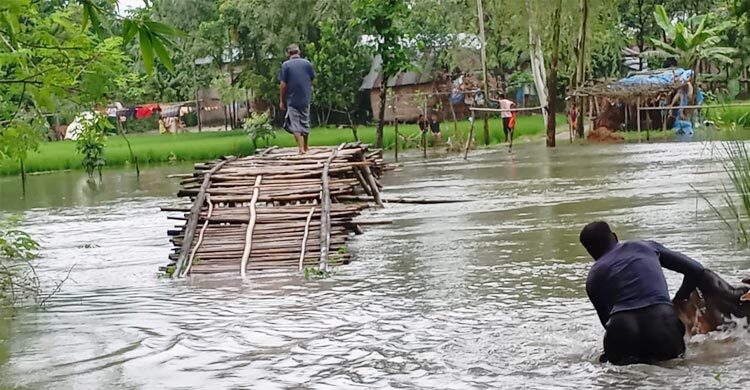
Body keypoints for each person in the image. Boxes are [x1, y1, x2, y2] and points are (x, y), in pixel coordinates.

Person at [579, 221, 705, 366]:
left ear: (590, 251)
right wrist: (680, 298)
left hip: (621, 328)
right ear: (614, 237)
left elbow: (606, 322)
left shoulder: (593, 278)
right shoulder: (645, 246)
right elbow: (696, 269)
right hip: (662, 322)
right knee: (675, 370)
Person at [279, 43, 315, 154]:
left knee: (295, 124)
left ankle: (300, 149)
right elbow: (312, 79)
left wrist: (281, 100)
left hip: (292, 99)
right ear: (299, 52)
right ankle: (306, 145)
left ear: (288, 54)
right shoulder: (307, 64)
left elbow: (283, 84)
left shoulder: (286, 65)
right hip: (305, 98)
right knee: (305, 121)